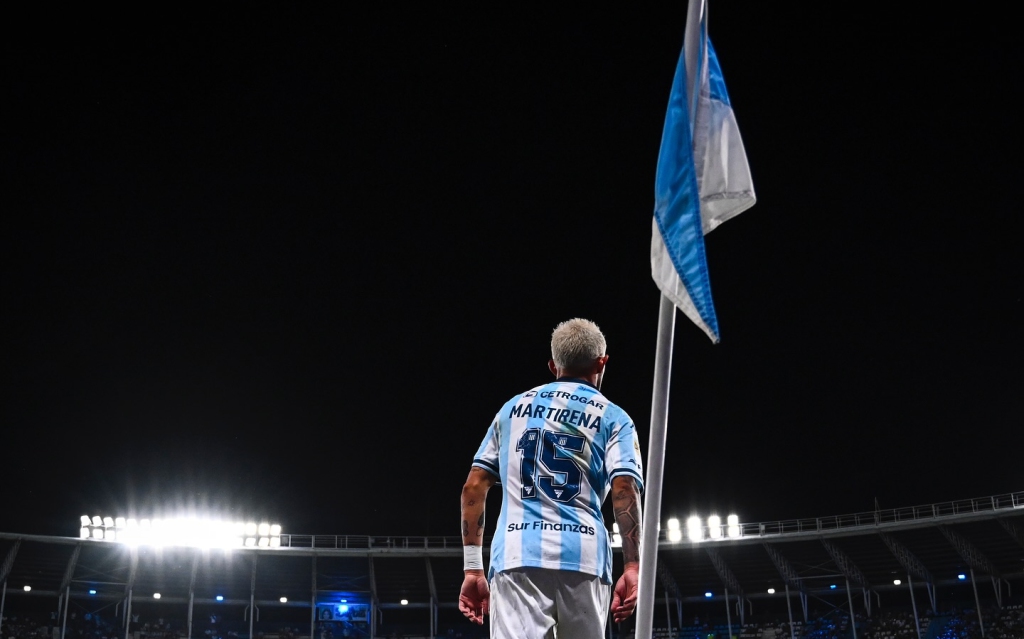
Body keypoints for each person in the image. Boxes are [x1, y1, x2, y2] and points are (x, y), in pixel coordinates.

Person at [458, 318, 644, 638]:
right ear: (602, 362)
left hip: (518, 554)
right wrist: (632, 566)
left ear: (553, 365)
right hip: (584, 556)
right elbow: (624, 488)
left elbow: (473, 487)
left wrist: (473, 567)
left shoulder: (511, 410)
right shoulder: (614, 417)